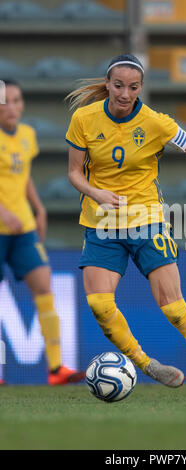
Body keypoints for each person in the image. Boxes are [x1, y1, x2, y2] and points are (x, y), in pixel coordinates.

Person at [65, 54, 186, 402]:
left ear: (141, 87)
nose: (125, 94)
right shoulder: (84, 118)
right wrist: (95, 192)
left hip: (147, 220)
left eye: (133, 87)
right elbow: (73, 173)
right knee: (99, 304)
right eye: (118, 86)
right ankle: (145, 365)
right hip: (102, 222)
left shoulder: (157, 123)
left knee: (173, 306)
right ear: (108, 84)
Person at [0, 80, 85, 386]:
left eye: (17, 100)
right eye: (5, 101)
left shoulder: (27, 136)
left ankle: (55, 368)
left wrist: (39, 208)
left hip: (22, 228)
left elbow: (21, 177)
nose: (12, 106)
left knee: (44, 285)